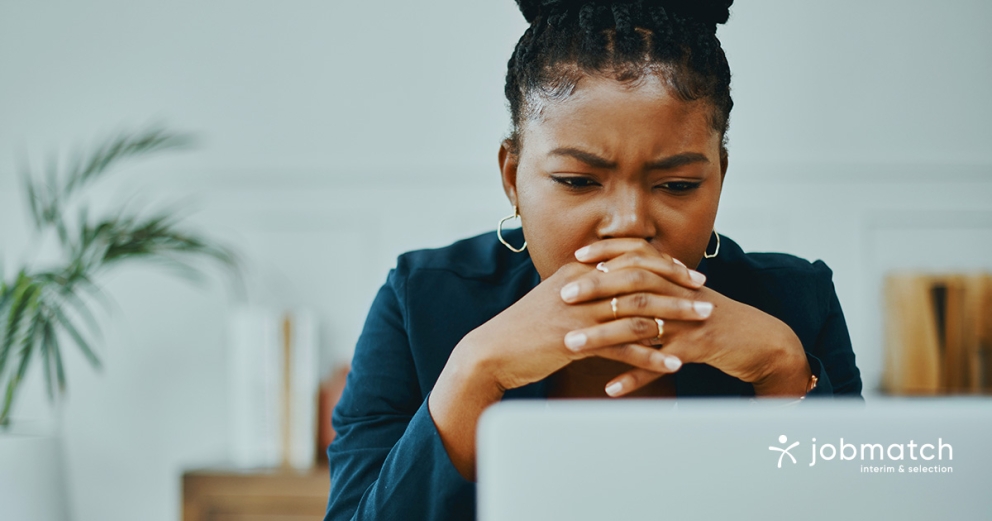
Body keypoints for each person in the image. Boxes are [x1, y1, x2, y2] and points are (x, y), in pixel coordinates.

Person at [324, 1, 862, 519]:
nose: (628, 223)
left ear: (719, 177)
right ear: (512, 177)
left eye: (677, 184)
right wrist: (475, 372)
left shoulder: (796, 304)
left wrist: (782, 375)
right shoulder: (419, 301)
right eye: (578, 181)